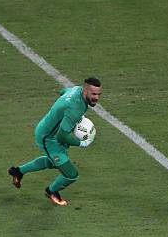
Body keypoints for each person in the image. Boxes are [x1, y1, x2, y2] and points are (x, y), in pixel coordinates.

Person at [7, 78, 102, 206]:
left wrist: (63, 110)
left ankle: (18, 171)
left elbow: (63, 91)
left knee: (53, 163)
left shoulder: (75, 89)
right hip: (49, 138)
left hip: (49, 130)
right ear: (85, 91)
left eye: (98, 94)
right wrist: (82, 143)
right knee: (71, 174)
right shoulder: (76, 108)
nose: (96, 98)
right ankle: (51, 191)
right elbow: (63, 136)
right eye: (93, 94)